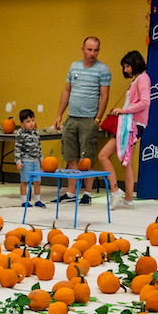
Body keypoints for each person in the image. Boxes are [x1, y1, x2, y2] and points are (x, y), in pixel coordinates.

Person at [56, 36, 113, 205]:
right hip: (72, 117)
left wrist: (97, 119)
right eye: (89, 50)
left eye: (96, 50)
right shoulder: (74, 66)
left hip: (89, 118)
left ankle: (87, 193)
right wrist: (59, 114)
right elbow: (67, 90)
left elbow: (105, 96)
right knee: (71, 155)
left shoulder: (103, 69)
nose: (92, 53)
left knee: (86, 157)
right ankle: (71, 193)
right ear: (83, 50)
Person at [97, 50, 149, 209]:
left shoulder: (142, 79)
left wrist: (123, 110)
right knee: (126, 163)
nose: (125, 70)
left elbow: (145, 102)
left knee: (103, 155)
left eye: (128, 66)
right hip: (131, 124)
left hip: (131, 126)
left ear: (135, 64)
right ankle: (128, 199)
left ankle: (115, 190)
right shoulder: (138, 80)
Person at [14, 108, 45, 207]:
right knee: (25, 181)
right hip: (26, 161)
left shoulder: (36, 132)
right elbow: (17, 148)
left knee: (37, 181)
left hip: (35, 161)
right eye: (28, 121)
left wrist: (41, 159)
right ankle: (24, 201)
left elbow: (38, 146)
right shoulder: (20, 134)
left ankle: (37, 200)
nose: (31, 123)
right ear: (22, 123)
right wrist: (18, 161)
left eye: (32, 120)